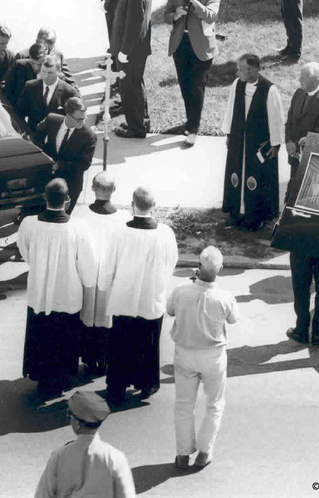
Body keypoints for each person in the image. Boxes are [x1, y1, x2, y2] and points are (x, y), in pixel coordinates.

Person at [104, 185, 178, 405]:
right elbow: (171, 263)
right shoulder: (165, 233)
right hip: (150, 297)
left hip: (123, 297)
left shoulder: (119, 232)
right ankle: (147, 384)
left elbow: (108, 266)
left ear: (131, 205)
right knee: (148, 342)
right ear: (154, 206)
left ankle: (117, 386)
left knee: (120, 342)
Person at [168, 245, 238, 470]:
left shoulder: (180, 290)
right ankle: (204, 451)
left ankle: (182, 454)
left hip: (185, 354)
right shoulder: (225, 297)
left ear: (198, 267)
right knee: (214, 405)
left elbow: (170, 311)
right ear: (221, 269)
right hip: (213, 356)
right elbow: (233, 319)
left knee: (183, 405)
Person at [17, 178, 83, 397]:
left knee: (42, 334)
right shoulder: (77, 227)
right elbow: (85, 262)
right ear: (68, 199)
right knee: (64, 336)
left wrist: (38, 267)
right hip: (67, 291)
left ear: (44, 197)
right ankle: (63, 377)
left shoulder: (28, 223)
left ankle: (42, 377)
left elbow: (24, 251)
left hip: (40, 290)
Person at [221, 53, 285, 231]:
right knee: (236, 173)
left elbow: (276, 118)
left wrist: (275, 144)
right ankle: (236, 212)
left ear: (253, 70)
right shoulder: (237, 84)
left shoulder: (269, 90)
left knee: (257, 176)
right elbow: (230, 109)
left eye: (241, 70)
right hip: (239, 140)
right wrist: (228, 133)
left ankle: (256, 216)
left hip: (258, 143)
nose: (237, 73)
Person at [71, 171, 125, 376]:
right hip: (110, 277)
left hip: (85, 274)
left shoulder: (80, 215)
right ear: (114, 190)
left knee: (86, 317)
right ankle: (103, 360)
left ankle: (88, 359)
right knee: (106, 316)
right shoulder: (123, 219)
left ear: (92, 188)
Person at [162, 0, 220, 145]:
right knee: (185, 85)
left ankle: (193, 129)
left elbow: (211, 16)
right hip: (181, 43)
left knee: (196, 87)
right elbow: (166, 16)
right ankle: (189, 122)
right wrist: (175, 15)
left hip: (201, 45)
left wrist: (195, 0)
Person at [35, 391, 136, 498]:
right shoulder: (115, 458)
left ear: (77, 423)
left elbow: (43, 495)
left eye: (70, 416)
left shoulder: (58, 456)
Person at [111, 0, 151, 138]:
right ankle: (141, 120)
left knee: (129, 89)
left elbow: (134, 26)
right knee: (135, 85)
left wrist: (124, 52)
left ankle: (136, 128)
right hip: (134, 51)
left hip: (130, 52)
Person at [34, 96, 97, 211]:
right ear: (68, 115)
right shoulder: (51, 120)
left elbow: (84, 164)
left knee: (62, 216)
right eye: (79, 119)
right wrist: (42, 155)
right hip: (47, 178)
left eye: (84, 118)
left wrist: (59, 165)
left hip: (71, 182)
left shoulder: (89, 136)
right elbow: (36, 138)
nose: (83, 122)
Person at [283, 62, 319, 192]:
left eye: (304, 78)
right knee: (292, 190)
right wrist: (289, 142)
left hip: (308, 159)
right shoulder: (299, 92)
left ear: (316, 80)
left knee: (303, 193)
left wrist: (296, 146)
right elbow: (290, 120)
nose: (299, 80)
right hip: (293, 154)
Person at [17, 54, 79, 132]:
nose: (46, 76)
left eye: (50, 73)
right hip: (33, 135)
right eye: (43, 71)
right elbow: (19, 112)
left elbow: (73, 121)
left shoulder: (69, 92)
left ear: (59, 71)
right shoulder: (30, 86)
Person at [3, 40, 48, 105]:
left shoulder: (54, 74)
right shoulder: (18, 66)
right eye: (32, 63)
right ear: (29, 57)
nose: (36, 68)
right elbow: (7, 91)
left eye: (40, 64)